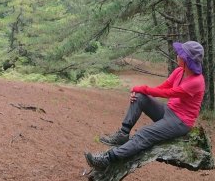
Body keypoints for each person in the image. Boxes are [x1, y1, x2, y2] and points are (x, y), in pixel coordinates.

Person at [85, 41, 205, 170]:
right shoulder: (179, 71)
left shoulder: (196, 81)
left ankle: (107, 159)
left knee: (144, 134)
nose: (177, 55)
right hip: (168, 111)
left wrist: (142, 88)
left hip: (180, 122)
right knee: (140, 97)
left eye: (180, 54)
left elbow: (167, 93)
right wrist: (140, 92)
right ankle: (123, 134)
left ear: (186, 59)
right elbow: (162, 87)